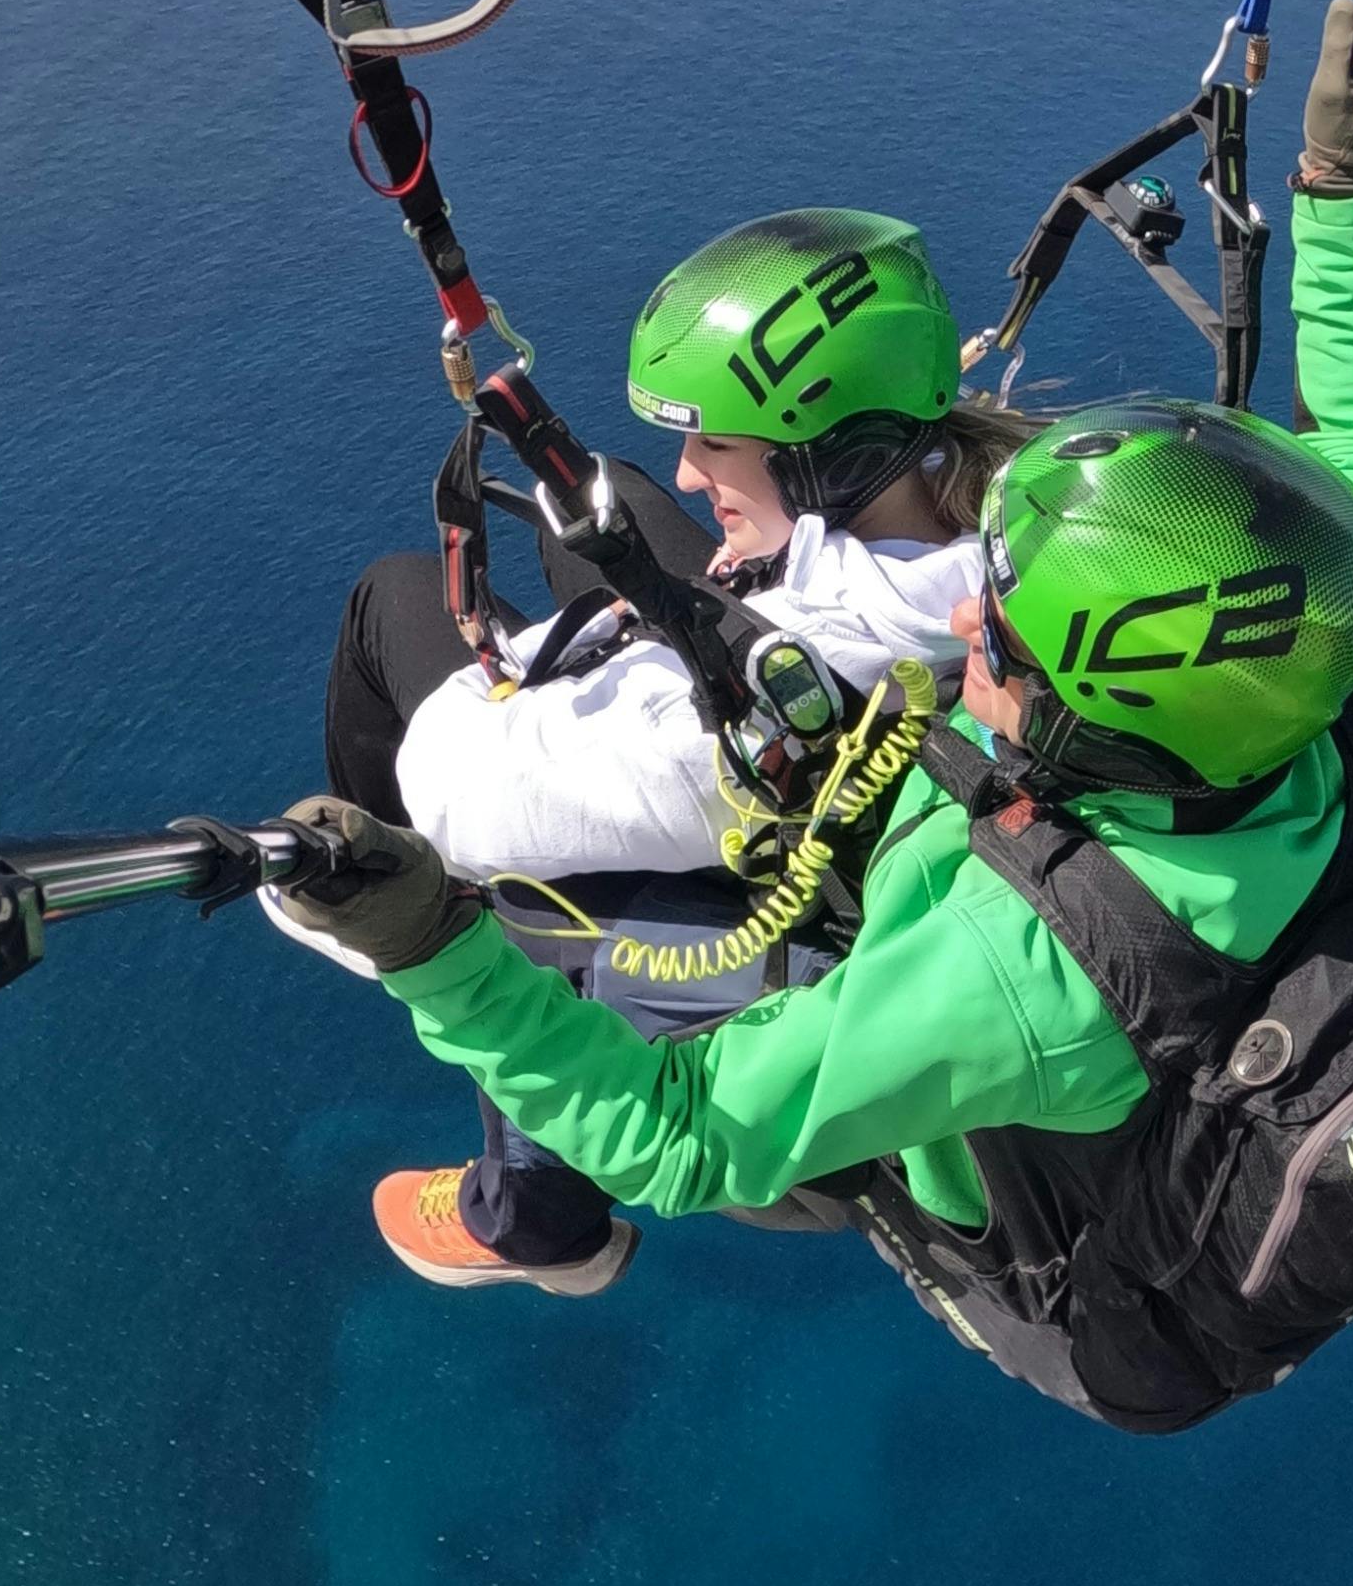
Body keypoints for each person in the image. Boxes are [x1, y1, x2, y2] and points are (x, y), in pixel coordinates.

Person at [273, 0, 1353, 1425]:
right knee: (650, 575)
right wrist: (1339, 194)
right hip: (1079, 965)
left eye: (1005, 649)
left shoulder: (1024, 970)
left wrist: (428, 947)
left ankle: (536, 1219)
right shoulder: (1341, 680)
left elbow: (692, 1138)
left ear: (1091, 731)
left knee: (536, 923)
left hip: (996, 1180)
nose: (973, 629)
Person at [303, 207, 1037, 1297]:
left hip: (776, 930)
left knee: (393, 603)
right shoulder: (1022, 519)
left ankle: (532, 1205)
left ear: (833, 455)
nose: (689, 473)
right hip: (826, 746)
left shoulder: (731, 727)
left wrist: (544, 668)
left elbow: (459, 791)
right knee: (587, 501)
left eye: (717, 445)